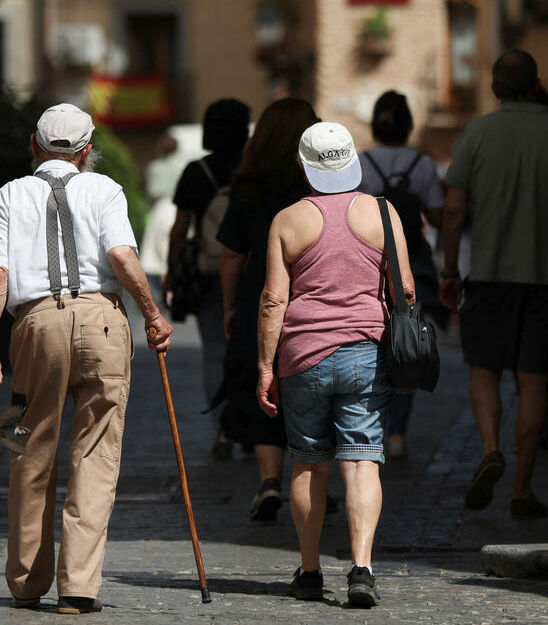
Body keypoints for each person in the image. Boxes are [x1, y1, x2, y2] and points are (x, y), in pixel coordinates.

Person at [0, 103, 173, 614]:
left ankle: (26, 582)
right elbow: (122, 257)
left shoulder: (10, 193)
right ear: (87, 151)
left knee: (27, 447)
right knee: (98, 451)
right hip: (102, 322)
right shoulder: (104, 189)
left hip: (35, 324)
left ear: (34, 146)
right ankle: (79, 588)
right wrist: (151, 314)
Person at [259, 121, 413, 608]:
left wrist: (265, 366)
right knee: (363, 458)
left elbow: (272, 301)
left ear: (304, 166)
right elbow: (405, 289)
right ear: (351, 161)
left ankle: (309, 571)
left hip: (302, 356)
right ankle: (362, 569)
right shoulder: (382, 213)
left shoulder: (287, 220)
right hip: (365, 353)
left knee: (308, 463)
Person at [440, 51, 548, 520]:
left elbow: (453, 209)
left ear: (494, 90)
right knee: (534, 380)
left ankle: (490, 448)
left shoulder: (478, 133)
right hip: (546, 278)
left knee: (484, 369)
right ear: (535, 85)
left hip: (489, 274)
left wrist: (449, 270)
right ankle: (523, 488)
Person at [210, 97, 318, 519]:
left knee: (265, 388)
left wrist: (230, 306)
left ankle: (269, 481)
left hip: (261, 295)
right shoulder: (318, 185)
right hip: (312, 294)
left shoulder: (249, 184)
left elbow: (232, 255)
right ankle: (315, 484)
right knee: (309, 387)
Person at [357, 90, 445, 459]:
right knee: (406, 347)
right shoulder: (422, 165)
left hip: (370, 266)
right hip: (415, 265)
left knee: (374, 347)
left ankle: (370, 426)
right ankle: (397, 434)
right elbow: (439, 215)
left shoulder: (361, 163)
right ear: (408, 124)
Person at [165, 99, 251, 460]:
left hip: (206, 271)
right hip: (252, 272)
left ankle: (221, 429)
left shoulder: (196, 171)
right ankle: (252, 430)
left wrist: (172, 270)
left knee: (214, 353)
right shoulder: (255, 168)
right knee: (254, 352)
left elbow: (180, 228)